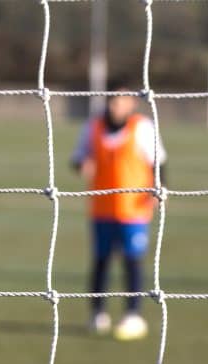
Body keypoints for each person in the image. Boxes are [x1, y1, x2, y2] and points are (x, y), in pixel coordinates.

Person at [71, 80, 166, 341]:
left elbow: (159, 160)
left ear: (132, 103)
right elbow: (78, 157)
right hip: (102, 208)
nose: (117, 105)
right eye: (113, 99)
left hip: (133, 208)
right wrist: (82, 165)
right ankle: (97, 312)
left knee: (132, 260)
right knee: (101, 260)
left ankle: (133, 314)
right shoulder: (93, 127)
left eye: (123, 99)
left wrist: (159, 189)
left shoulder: (142, 128)